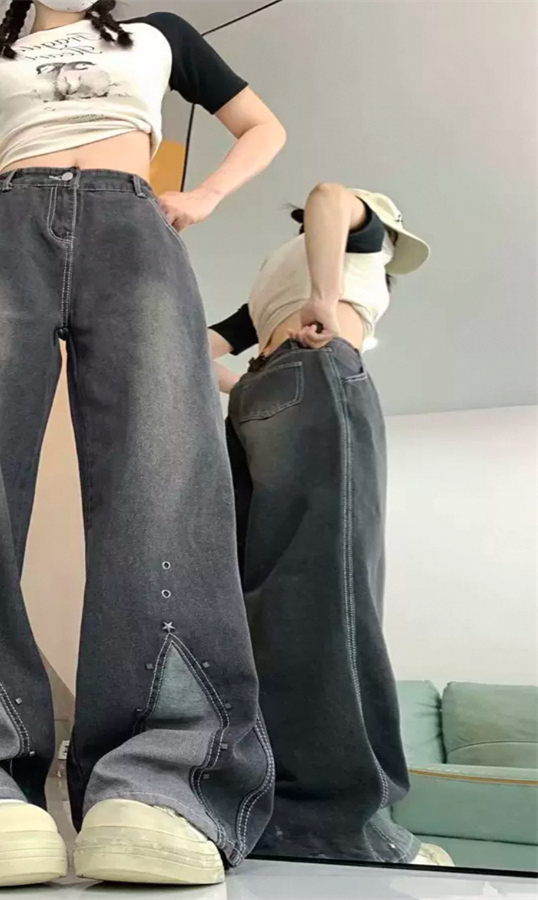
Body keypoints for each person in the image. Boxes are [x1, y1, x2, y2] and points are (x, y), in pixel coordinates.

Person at [0, 0, 286, 889]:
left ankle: (164, 781)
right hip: (0, 228)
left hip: (136, 227)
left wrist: (203, 196)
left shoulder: (160, 35)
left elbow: (262, 125)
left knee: (164, 482)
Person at [208, 183, 449, 865]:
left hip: (256, 399)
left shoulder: (265, 282)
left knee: (258, 603)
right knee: (332, 587)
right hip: (318, 374)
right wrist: (324, 297)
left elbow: (195, 347)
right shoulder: (365, 245)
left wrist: (247, 384)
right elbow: (328, 195)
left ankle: (258, 808)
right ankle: (337, 822)